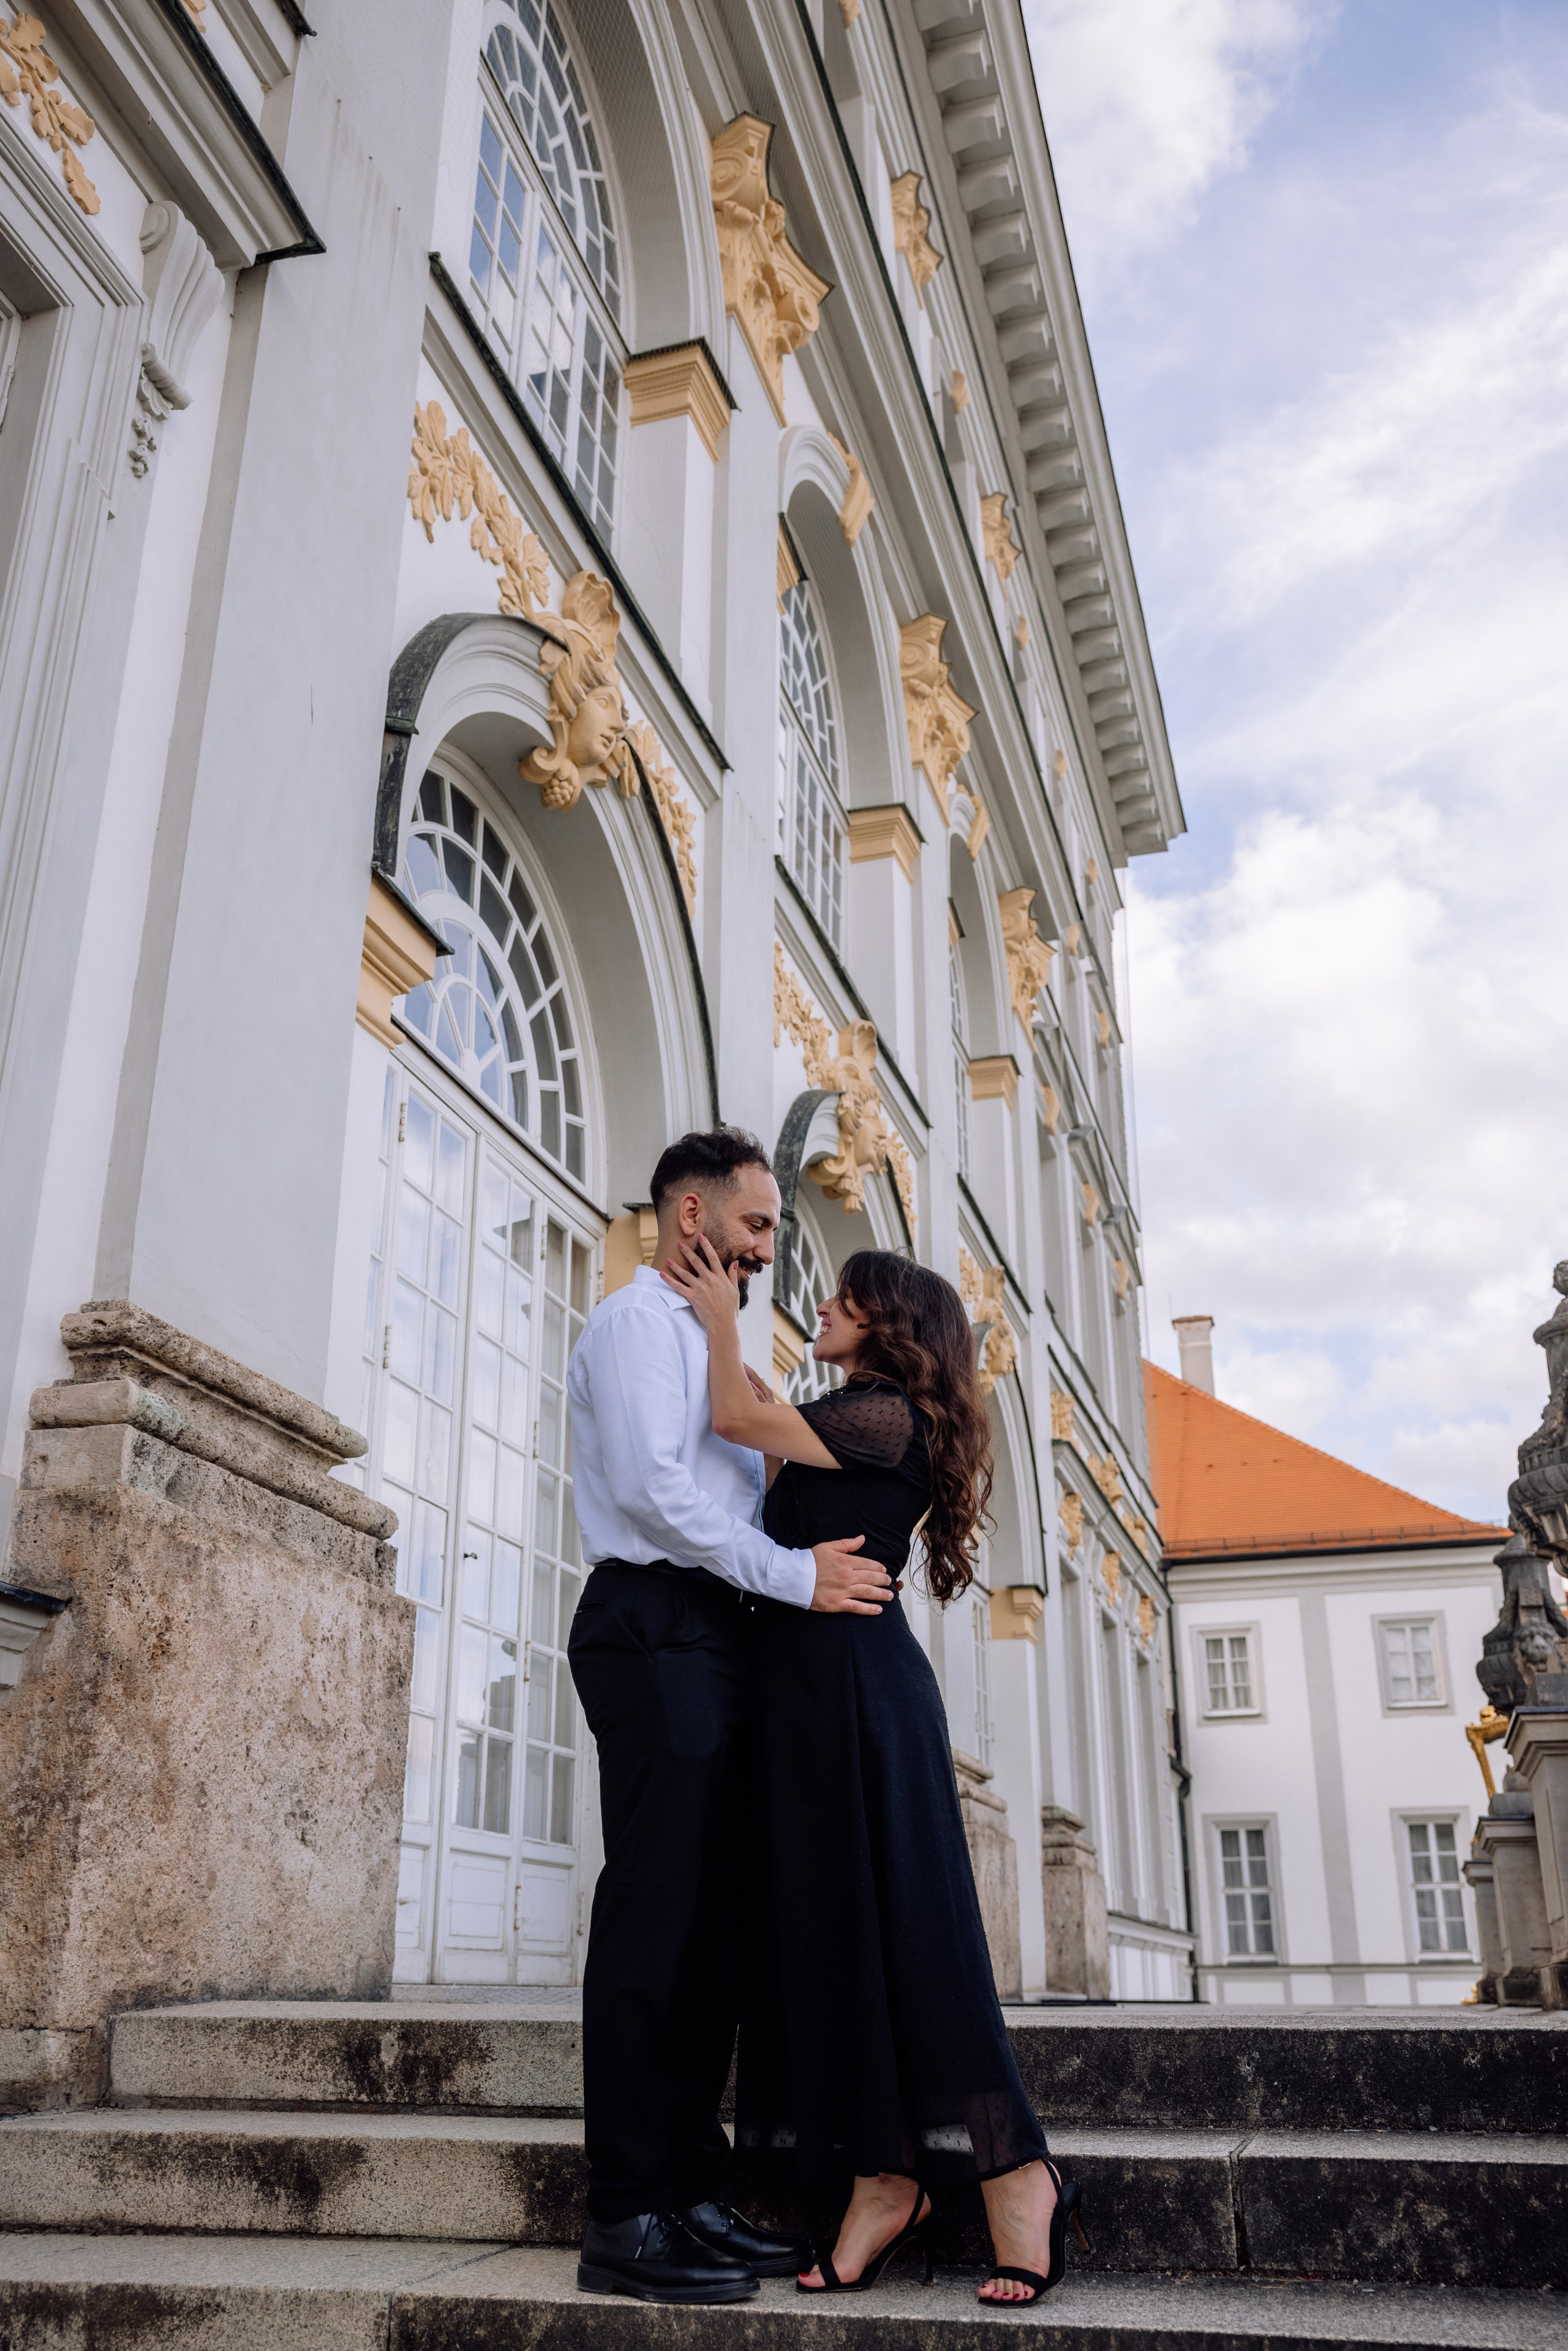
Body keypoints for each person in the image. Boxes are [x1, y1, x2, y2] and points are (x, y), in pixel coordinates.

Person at [660, 1236, 1091, 2306]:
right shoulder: (849, 1418)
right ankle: (884, 2178)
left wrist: (721, 1317)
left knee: (914, 1936)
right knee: (828, 1936)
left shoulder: (886, 1413)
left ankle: (1017, 2175)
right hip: (807, 1706)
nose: (821, 1305)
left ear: (887, 1322)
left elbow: (734, 1420)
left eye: (842, 1297)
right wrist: (758, 1393)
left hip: (862, 1702)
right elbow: (768, 1479)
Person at [565, 1128, 894, 2306]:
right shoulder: (631, 1324)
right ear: (695, 1216)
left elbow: (742, 1481)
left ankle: (689, 2189)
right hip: (653, 1621)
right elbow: (654, 1491)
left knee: (709, 1935)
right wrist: (798, 1575)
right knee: (657, 1918)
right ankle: (626, 2211)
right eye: (757, 1225)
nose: (766, 1249)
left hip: (714, 1632)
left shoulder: (713, 1343)